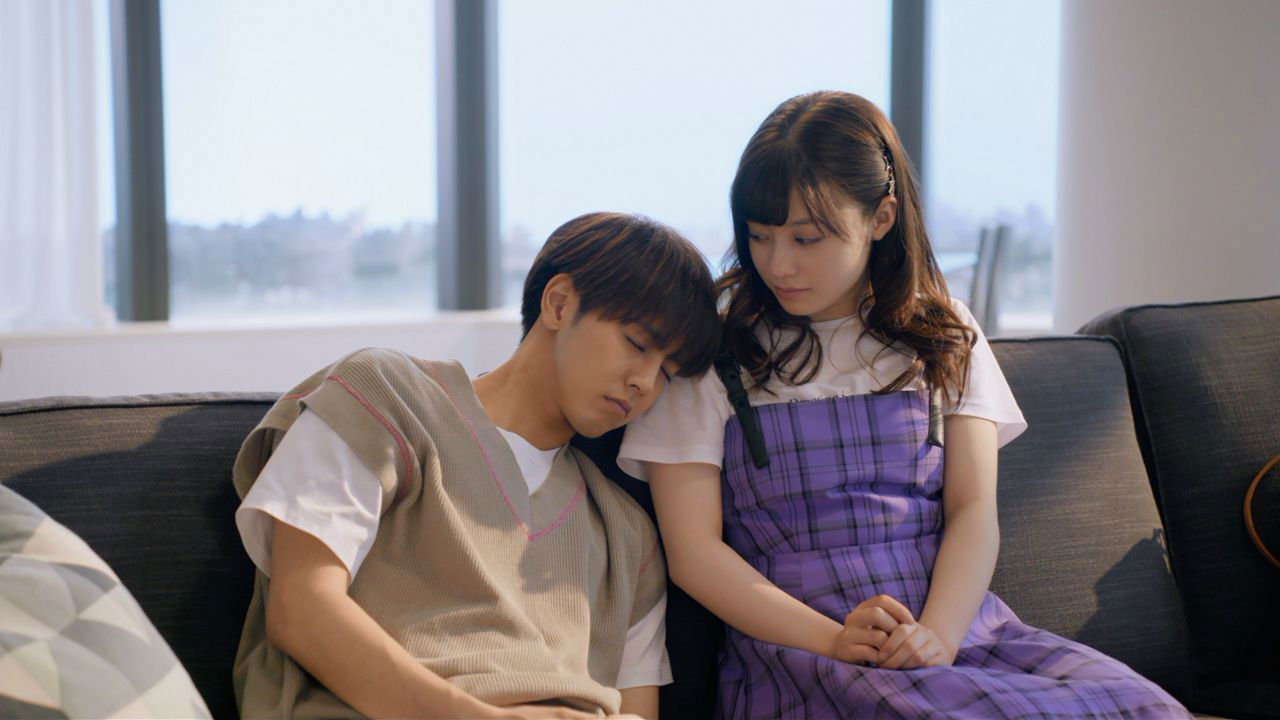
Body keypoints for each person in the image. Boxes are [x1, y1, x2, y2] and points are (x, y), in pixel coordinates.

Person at [618, 91, 1192, 719]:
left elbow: (972, 509)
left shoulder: (944, 334)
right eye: (760, 236)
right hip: (802, 652)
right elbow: (694, 554)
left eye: (807, 238)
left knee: (1146, 708)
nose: (779, 264)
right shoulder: (717, 352)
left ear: (881, 218)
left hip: (956, 633)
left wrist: (939, 637)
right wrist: (834, 640)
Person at [230, 212, 720, 719]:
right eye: (637, 344)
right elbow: (300, 610)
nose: (645, 382)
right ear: (559, 303)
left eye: (667, 372)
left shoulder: (627, 537)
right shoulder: (383, 397)